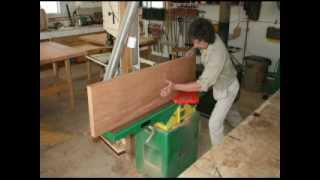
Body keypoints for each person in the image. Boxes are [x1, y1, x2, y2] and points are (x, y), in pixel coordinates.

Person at [160, 18, 242, 145]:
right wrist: (193, 50)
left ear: (205, 39)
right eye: (194, 42)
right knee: (230, 111)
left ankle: (219, 154)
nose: (195, 44)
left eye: (197, 43)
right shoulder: (210, 35)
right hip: (223, 82)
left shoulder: (216, 55)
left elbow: (201, 85)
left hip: (227, 87)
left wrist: (175, 86)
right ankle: (244, 129)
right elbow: (198, 43)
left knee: (214, 124)